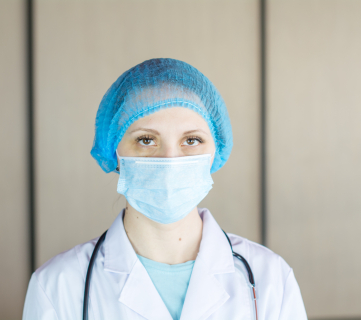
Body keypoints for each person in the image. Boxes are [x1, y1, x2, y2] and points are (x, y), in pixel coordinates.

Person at [22, 58, 307, 320]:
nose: (170, 160)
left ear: (215, 152)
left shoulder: (270, 278)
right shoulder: (57, 287)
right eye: (146, 140)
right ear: (114, 152)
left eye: (192, 140)